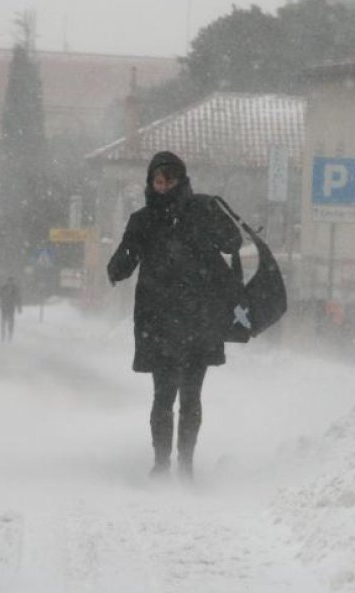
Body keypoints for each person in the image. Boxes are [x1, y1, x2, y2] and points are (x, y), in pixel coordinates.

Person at [107, 151, 242, 480]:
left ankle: (184, 464)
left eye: (168, 179)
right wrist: (118, 263)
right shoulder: (143, 221)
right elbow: (122, 264)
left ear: (180, 180)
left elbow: (232, 241)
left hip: (196, 320)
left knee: (190, 395)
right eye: (157, 180)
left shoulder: (201, 210)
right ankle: (163, 463)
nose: (163, 185)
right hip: (162, 322)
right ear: (151, 182)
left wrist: (215, 212)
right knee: (165, 395)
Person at [0, 277, 22, 342]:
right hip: (4, 306)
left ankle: (10, 335)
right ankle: (3, 335)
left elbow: (19, 298)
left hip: (11, 307)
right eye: (9, 281)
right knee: (3, 321)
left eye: (11, 281)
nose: (10, 283)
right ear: (7, 281)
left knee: (11, 321)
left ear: (13, 281)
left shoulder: (15, 288)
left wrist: (19, 307)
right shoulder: (3, 287)